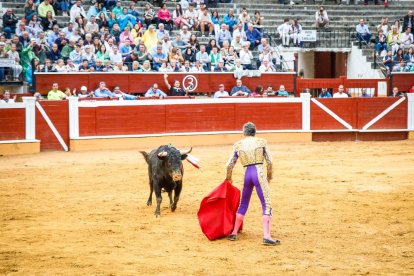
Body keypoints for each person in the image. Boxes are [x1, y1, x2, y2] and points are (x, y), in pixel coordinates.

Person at [226, 122, 279, 246]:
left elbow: (229, 165)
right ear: (255, 132)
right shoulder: (261, 142)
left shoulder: (238, 144)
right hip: (259, 173)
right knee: (266, 204)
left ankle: (234, 232)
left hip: (246, 176)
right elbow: (270, 162)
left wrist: (228, 178)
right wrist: (269, 176)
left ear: (244, 133)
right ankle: (266, 236)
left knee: (243, 203)